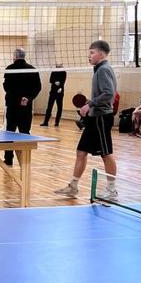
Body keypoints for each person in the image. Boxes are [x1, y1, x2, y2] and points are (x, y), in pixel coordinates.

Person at [55, 40, 118, 200]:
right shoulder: (98, 70)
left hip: (102, 118)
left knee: (106, 153)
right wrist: (89, 107)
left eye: (92, 53)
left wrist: (89, 104)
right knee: (81, 152)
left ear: (101, 54)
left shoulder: (104, 70)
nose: (89, 56)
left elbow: (109, 94)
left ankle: (112, 190)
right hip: (94, 117)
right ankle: (73, 186)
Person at [2, 48, 42, 166]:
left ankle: (8, 159)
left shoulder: (9, 69)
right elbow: (37, 87)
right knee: (25, 132)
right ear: (24, 56)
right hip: (26, 106)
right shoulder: (33, 69)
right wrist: (28, 98)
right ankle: (25, 159)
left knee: (10, 132)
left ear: (14, 56)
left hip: (12, 106)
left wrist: (15, 98)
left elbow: (6, 86)